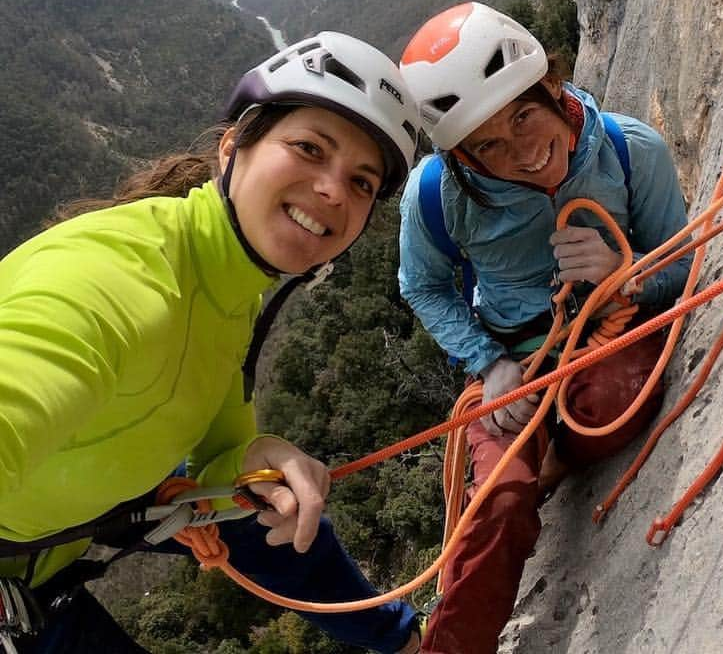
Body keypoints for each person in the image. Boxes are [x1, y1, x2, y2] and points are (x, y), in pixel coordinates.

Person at [0, 32, 424, 654]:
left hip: (51, 553)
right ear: (232, 149)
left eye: (362, 182)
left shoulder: (226, 286)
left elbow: (211, 447)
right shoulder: (116, 284)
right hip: (24, 581)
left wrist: (253, 457)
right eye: (309, 148)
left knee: (268, 497)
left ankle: (407, 643)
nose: (334, 190)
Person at [397, 2, 691, 654]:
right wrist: (487, 362)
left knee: (614, 407)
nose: (524, 153)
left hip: (599, 338)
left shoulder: (629, 151)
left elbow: (685, 265)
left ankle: (556, 455)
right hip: (510, 360)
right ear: (464, 156)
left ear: (552, 86)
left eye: (524, 116)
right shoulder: (436, 196)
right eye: (491, 145)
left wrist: (625, 270)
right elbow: (422, 284)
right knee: (498, 506)